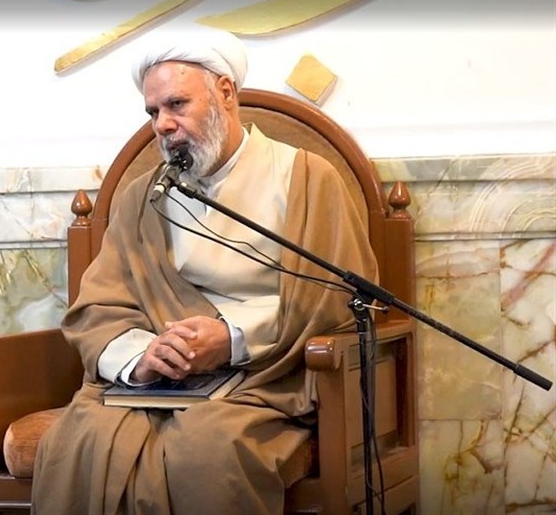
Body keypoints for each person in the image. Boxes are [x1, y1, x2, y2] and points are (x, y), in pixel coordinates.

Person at [32, 27, 378, 515]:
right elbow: (99, 307)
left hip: (265, 378)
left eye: (177, 104)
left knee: (206, 447)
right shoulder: (142, 198)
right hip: (158, 384)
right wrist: (144, 357)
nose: (162, 125)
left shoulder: (306, 179)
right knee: (81, 437)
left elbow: (334, 302)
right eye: (153, 112)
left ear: (226, 93)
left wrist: (230, 339)